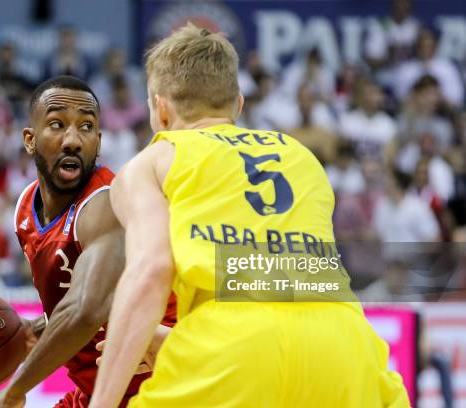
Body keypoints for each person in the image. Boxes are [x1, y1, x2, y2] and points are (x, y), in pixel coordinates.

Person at [90, 24, 410, 407]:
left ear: (160, 109)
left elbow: (150, 271)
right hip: (342, 341)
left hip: (232, 342)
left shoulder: (152, 162)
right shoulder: (302, 157)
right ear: (239, 103)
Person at [0, 75, 176, 408]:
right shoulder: (25, 209)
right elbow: (88, 290)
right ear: (30, 139)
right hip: (97, 390)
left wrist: (14, 390)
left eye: (86, 127)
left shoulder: (107, 204)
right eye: (57, 124)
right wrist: (41, 327)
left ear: (98, 142)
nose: (73, 140)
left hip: (157, 386)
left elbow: (87, 309)